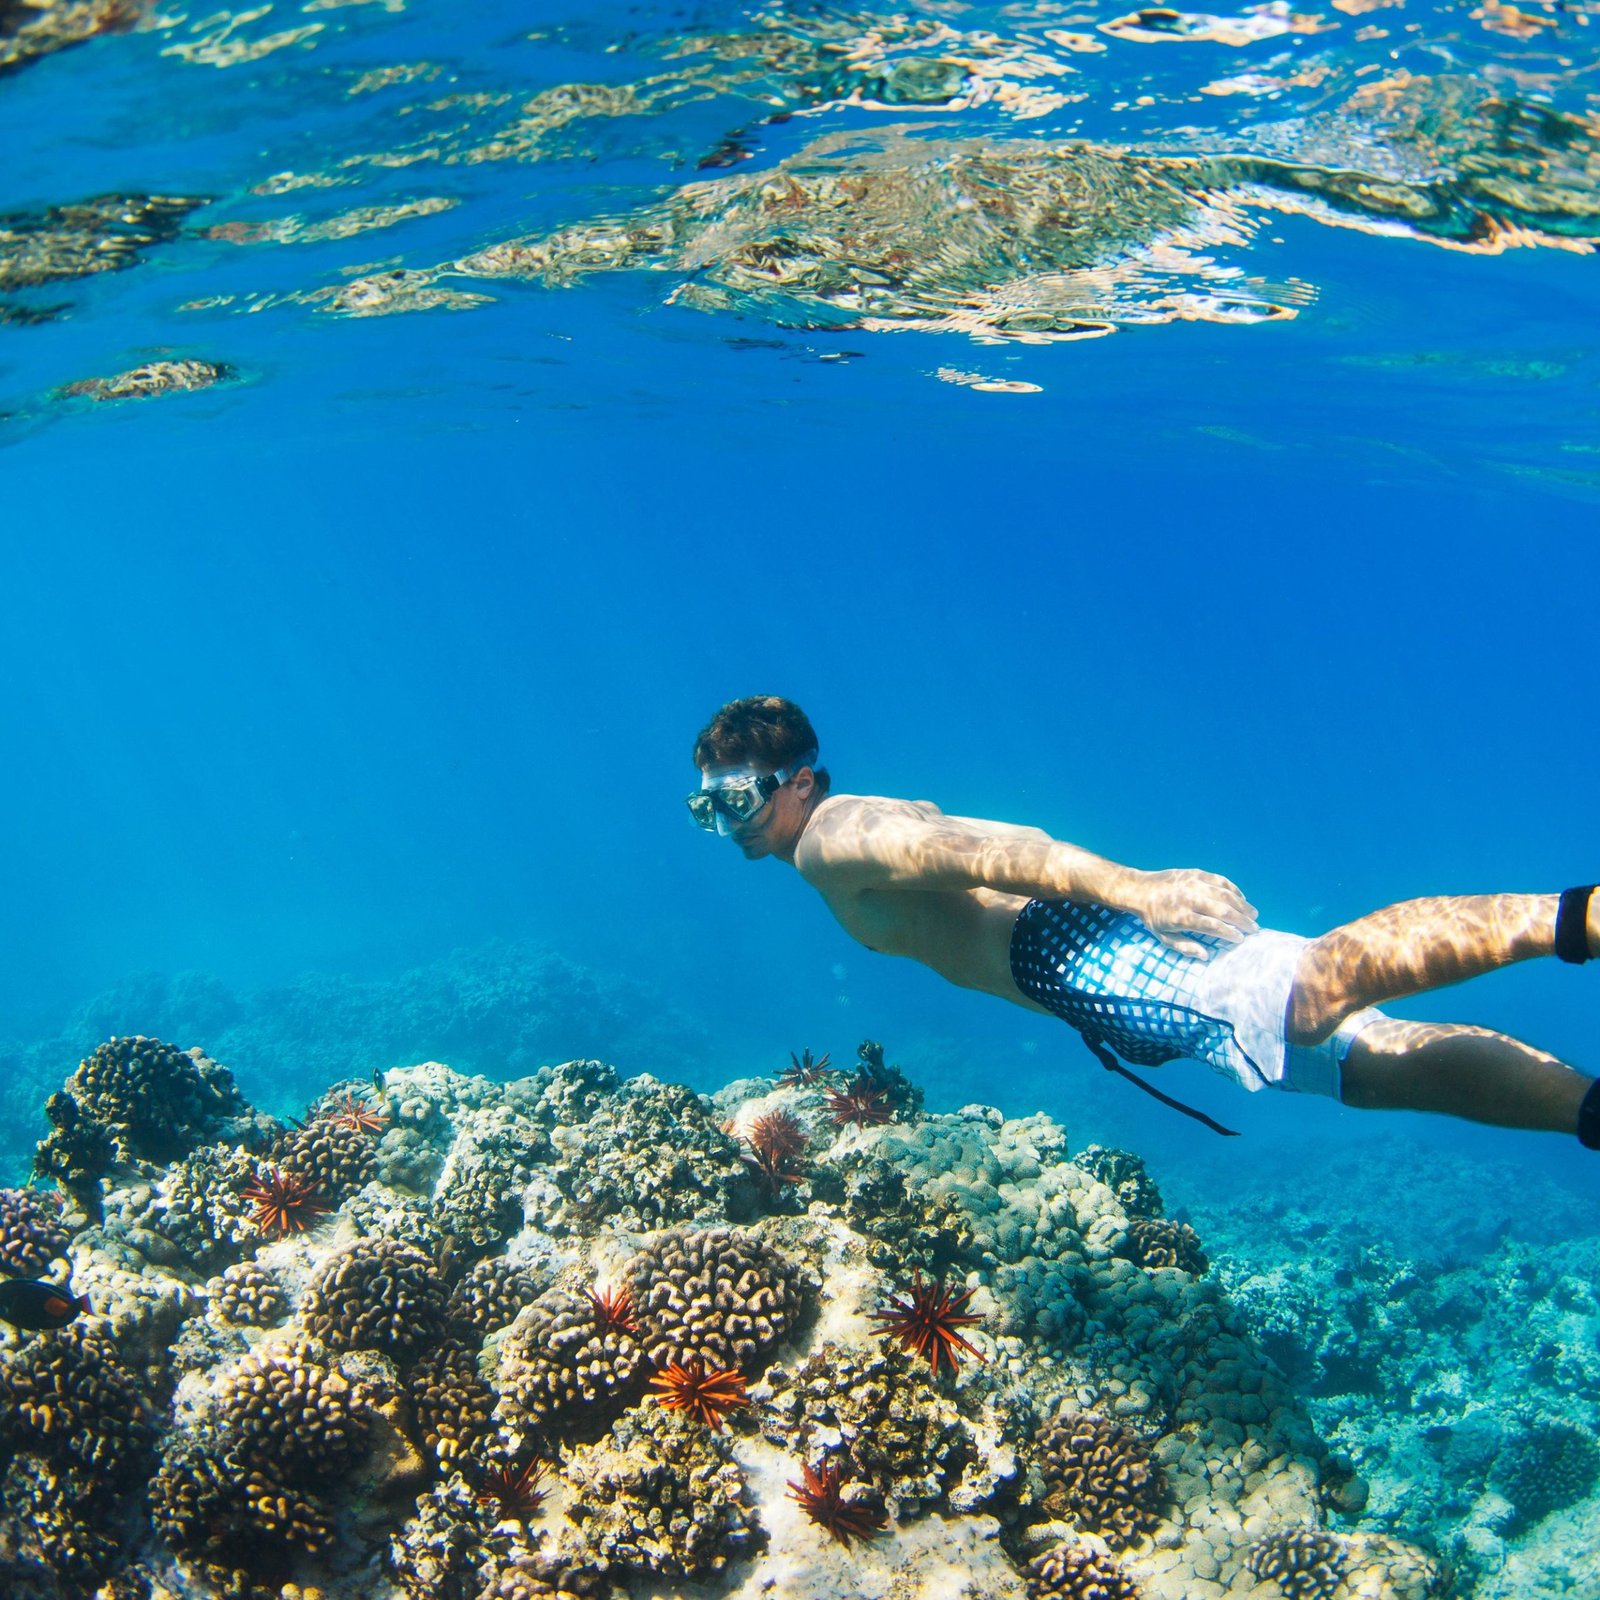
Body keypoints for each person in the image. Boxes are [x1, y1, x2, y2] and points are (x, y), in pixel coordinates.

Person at [687, 695, 1599, 1144]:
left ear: (798, 782)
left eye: (737, 800)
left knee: (1315, 990)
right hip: (1085, 967)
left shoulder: (832, 837)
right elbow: (994, 846)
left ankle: (1583, 916)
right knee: (1366, 1063)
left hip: (1075, 955)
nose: (729, 825)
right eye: (708, 809)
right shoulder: (860, 821)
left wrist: (1136, 890)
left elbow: (991, 859)